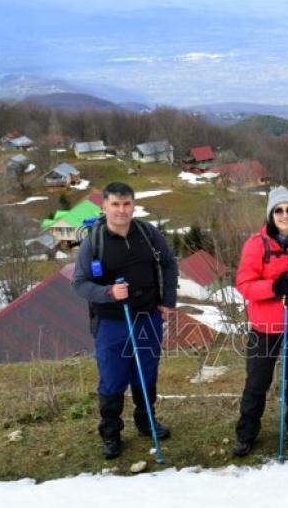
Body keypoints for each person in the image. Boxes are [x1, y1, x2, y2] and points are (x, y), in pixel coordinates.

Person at [72, 182, 178, 459]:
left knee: (146, 372)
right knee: (113, 378)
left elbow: (168, 263)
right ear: (104, 207)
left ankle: (146, 421)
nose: (121, 210)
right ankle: (111, 432)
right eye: (115, 204)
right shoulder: (93, 242)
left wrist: (167, 300)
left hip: (147, 317)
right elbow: (79, 283)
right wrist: (108, 292)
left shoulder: (147, 233)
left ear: (133, 205)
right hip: (111, 322)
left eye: (127, 204)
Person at [232, 186, 288, 457]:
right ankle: (247, 432)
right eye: (279, 210)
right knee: (257, 380)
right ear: (271, 215)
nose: (285, 215)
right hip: (265, 326)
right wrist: (273, 287)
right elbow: (244, 284)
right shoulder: (256, 244)